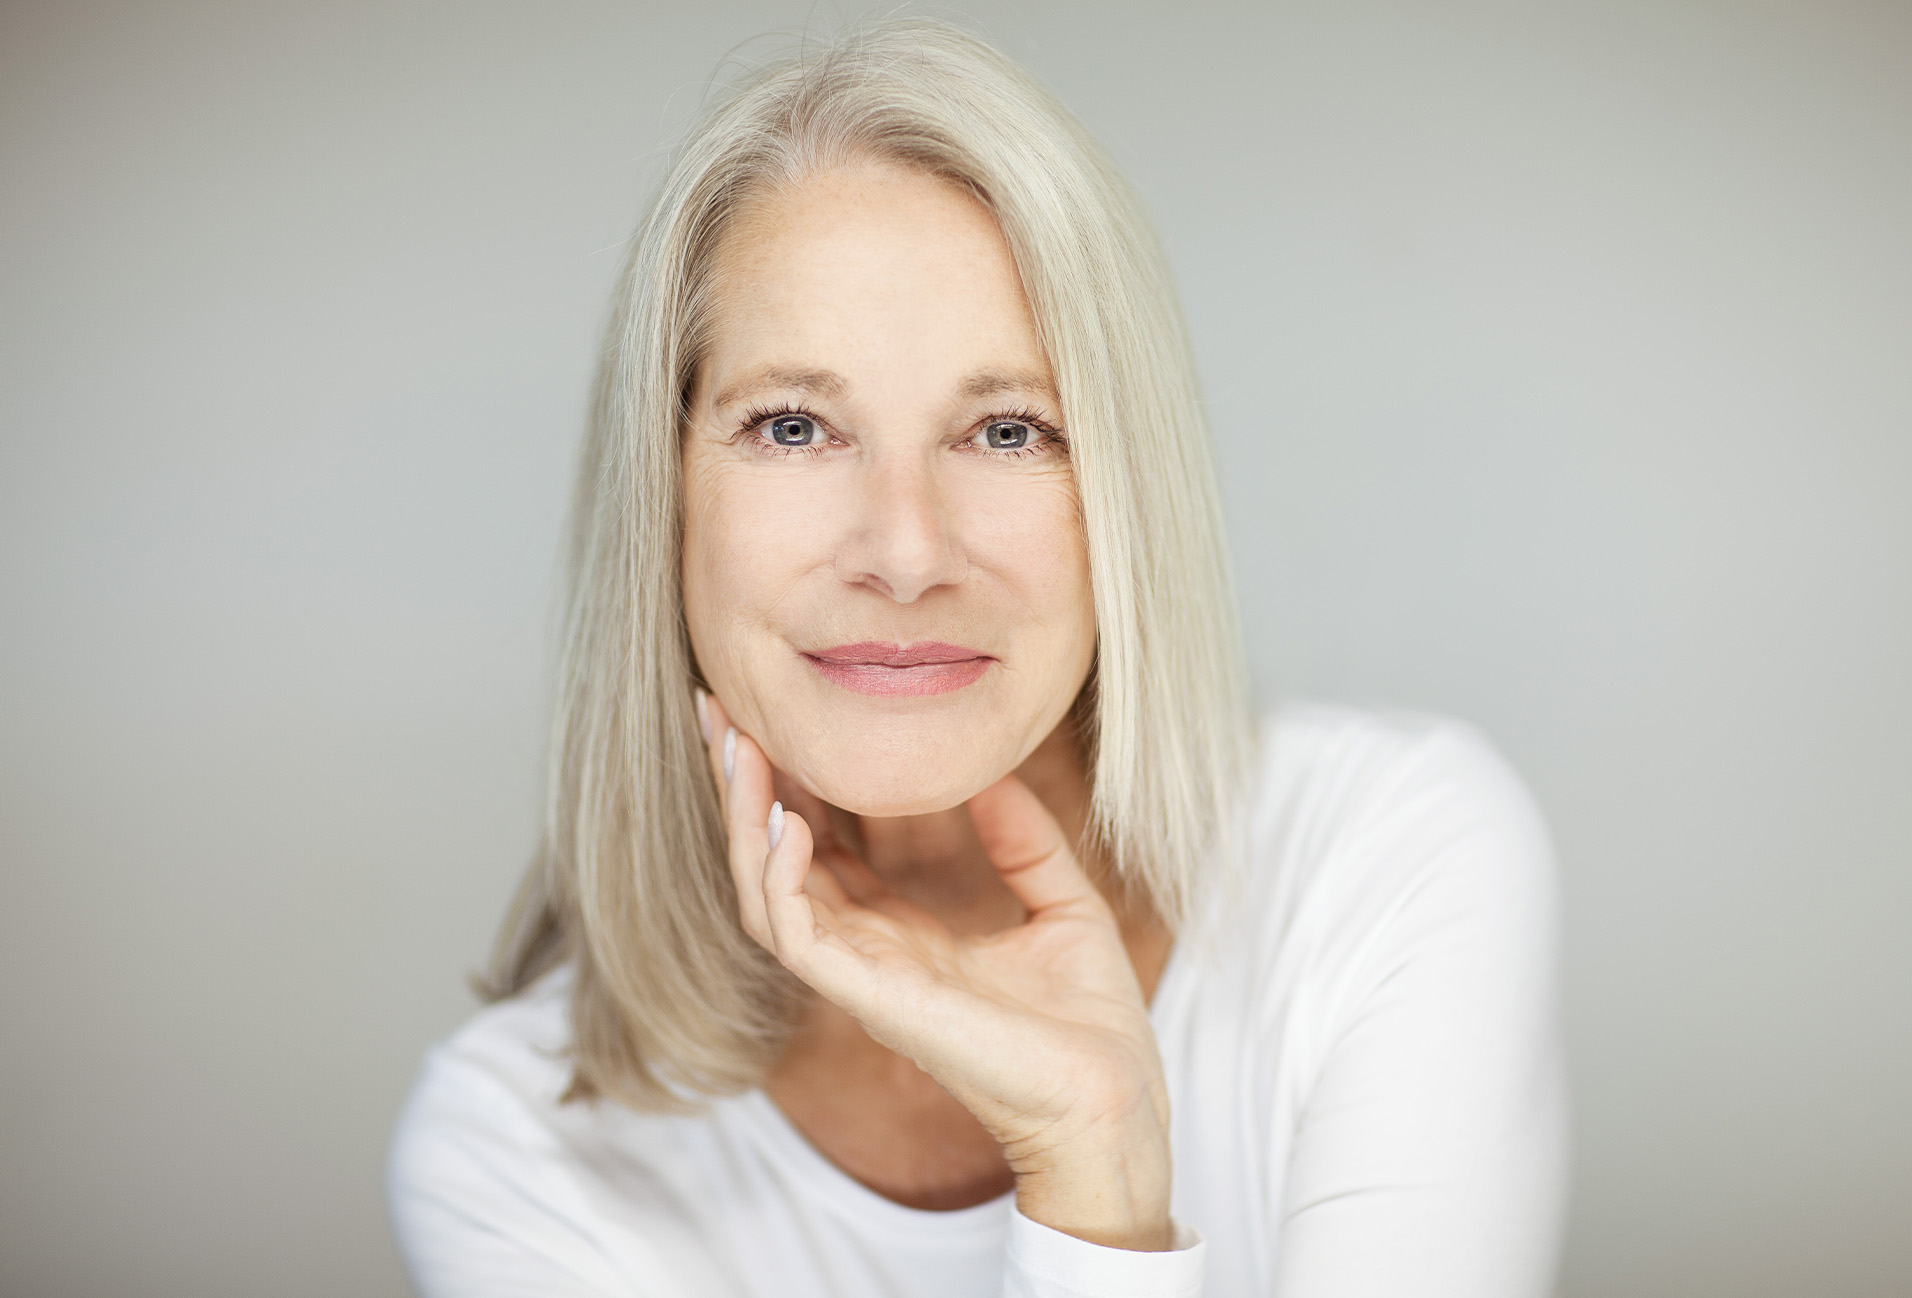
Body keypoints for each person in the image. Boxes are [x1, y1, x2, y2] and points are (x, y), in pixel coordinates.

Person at [387, 18, 1567, 1297]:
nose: (904, 550)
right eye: (793, 424)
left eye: (1007, 431)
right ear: (664, 498)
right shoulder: (518, 1152)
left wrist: (1092, 1166)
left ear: (1124, 488)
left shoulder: (1382, 860)